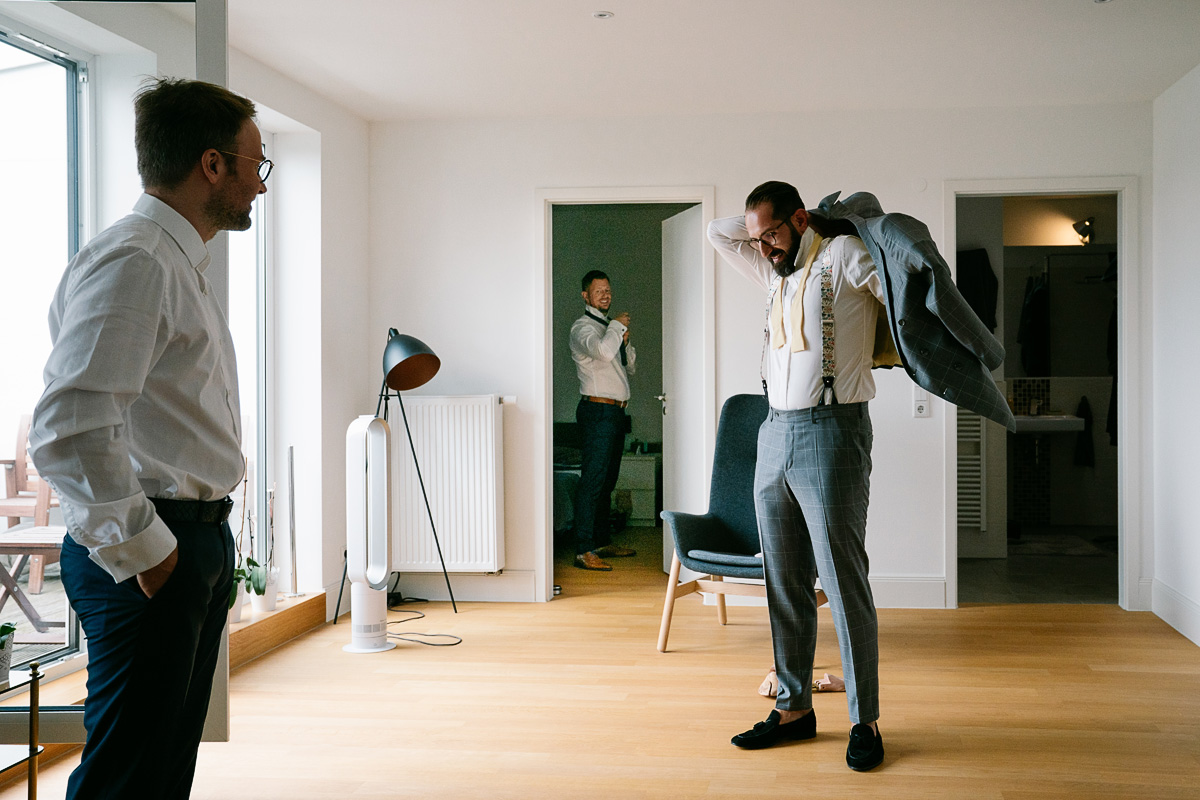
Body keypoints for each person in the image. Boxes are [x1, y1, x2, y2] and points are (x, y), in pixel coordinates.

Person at [29, 77, 269, 799]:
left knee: (159, 772)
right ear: (212, 164)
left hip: (186, 542)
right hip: (153, 551)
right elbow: (69, 426)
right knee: (127, 780)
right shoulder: (137, 261)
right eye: (256, 165)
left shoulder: (170, 261)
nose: (260, 185)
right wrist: (150, 554)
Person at [709, 181, 887, 771]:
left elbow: (897, 286)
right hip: (773, 432)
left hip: (833, 431)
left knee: (842, 581)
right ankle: (794, 709)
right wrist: (765, 232)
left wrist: (833, 223)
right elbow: (717, 232)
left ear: (800, 218)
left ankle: (864, 720)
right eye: (757, 239)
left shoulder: (842, 258)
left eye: (773, 235)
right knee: (783, 581)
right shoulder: (772, 271)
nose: (763, 248)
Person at [569, 270, 638, 571]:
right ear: (586, 296)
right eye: (599, 291)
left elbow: (629, 367)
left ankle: (600, 542)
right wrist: (615, 328)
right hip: (597, 412)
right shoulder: (582, 328)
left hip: (614, 413)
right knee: (593, 481)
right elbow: (601, 350)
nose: (606, 295)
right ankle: (584, 550)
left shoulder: (610, 328)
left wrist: (625, 341)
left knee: (607, 482)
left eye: (608, 290)